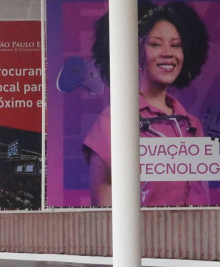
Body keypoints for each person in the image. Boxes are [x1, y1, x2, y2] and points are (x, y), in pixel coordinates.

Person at [84, 1, 211, 207]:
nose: (168, 52)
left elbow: (203, 199)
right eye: (156, 44)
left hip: (196, 238)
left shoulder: (192, 124)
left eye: (176, 44)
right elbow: (105, 212)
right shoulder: (114, 121)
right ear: (133, 51)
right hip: (144, 238)